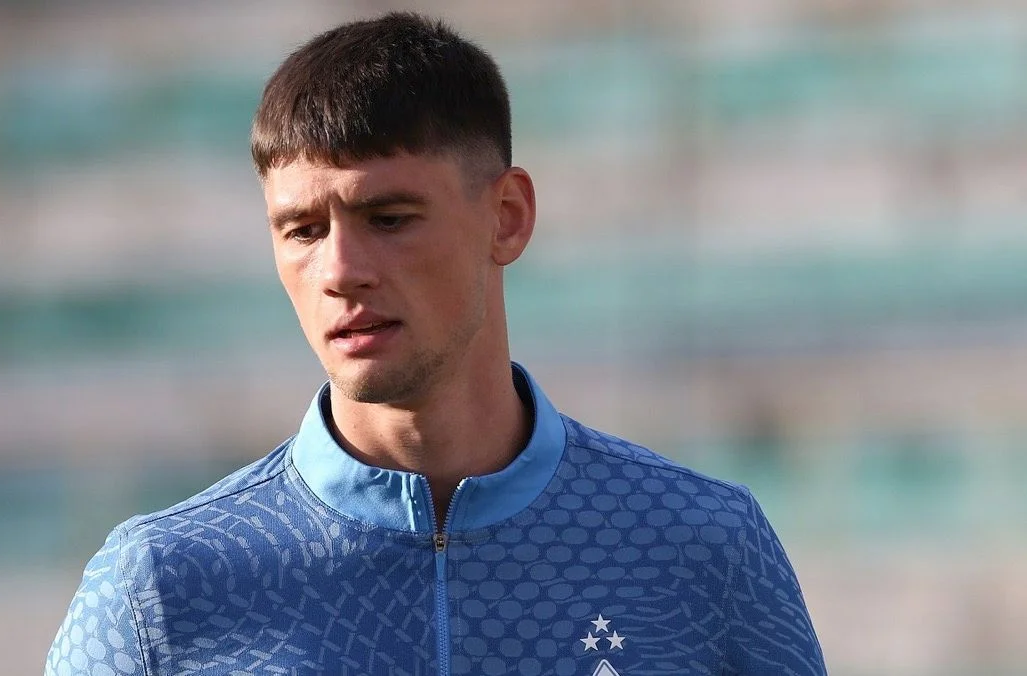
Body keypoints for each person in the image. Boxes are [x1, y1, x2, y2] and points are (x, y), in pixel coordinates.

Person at [46, 12, 825, 676]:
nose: (340, 271)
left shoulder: (703, 548)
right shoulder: (161, 589)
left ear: (507, 217)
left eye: (388, 219)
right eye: (303, 231)